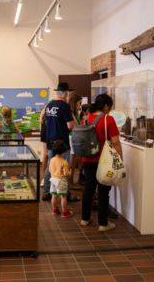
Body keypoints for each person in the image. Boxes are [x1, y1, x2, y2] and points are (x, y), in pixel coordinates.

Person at [80, 94, 122, 232]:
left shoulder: (86, 118)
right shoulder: (107, 120)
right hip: (104, 161)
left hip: (87, 159)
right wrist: (119, 159)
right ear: (105, 106)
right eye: (109, 107)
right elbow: (115, 142)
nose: (109, 110)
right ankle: (103, 223)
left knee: (88, 188)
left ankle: (85, 219)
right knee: (103, 190)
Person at [41, 82, 76, 201]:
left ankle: (46, 192)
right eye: (68, 93)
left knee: (50, 166)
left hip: (50, 141)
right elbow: (70, 126)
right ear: (66, 93)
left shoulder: (49, 105)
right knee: (63, 167)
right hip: (62, 143)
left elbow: (44, 121)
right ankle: (64, 194)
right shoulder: (64, 106)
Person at [49, 139, 73, 218]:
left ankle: (55, 210)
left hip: (53, 179)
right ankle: (65, 212)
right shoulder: (64, 162)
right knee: (63, 197)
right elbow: (66, 174)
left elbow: (50, 170)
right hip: (61, 181)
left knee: (54, 195)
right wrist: (70, 171)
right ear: (63, 150)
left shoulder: (52, 160)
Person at [67, 92, 82, 186]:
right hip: (72, 137)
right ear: (74, 102)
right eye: (79, 103)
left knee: (74, 161)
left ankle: (71, 180)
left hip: (75, 137)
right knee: (72, 162)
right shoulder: (70, 112)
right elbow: (76, 126)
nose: (79, 105)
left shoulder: (73, 113)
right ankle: (70, 180)